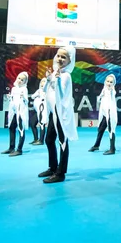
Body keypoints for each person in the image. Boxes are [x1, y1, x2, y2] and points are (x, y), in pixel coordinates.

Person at [38, 46, 78, 183]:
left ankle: (60, 173)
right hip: (53, 113)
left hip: (61, 114)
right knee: (49, 140)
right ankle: (53, 167)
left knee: (62, 142)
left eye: (64, 57)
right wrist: (49, 78)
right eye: (59, 55)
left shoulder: (66, 75)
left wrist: (57, 79)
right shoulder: (56, 72)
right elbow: (45, 90)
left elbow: (61, 93)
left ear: (69, 61)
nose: (60, 59)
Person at [88, 74, 118, 155]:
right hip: (104, 114)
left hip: (110, 114)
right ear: (105, 81)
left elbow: (113, 93)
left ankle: (112, 149)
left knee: (111, 130)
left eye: (111, 82)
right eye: (108, 81)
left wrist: (111, 90)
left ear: (113, 83)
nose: (109, 83)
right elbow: (100, 96)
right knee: (101, 129)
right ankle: (96, 145)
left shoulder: (112, 91)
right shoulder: (104, 89)